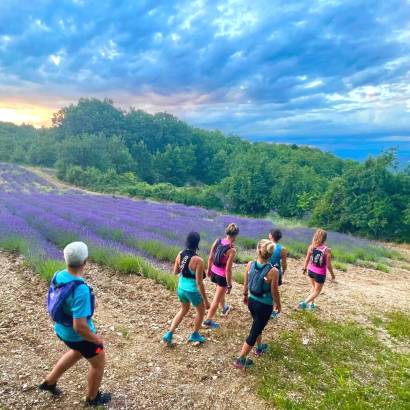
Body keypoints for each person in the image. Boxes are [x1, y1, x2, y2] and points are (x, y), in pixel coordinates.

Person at [39, 242, 111, 407]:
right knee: (98, 364)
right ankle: (92, 398)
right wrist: (96, 339)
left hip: (62, 330)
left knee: (77, 352)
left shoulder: (58, 275)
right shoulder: (81, 289)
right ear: (85, 261)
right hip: (79, 336)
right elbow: (80, 326)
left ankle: (49, 382)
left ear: (66, 260)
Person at [234, 240, 281, 369]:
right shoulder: (274, 271)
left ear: (258, 251)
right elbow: (274, 291)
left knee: (257, 324)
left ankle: (260, 347)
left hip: (251, 301)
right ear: (270, 254)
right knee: (254, 332)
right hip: (264, 306)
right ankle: (241, 359)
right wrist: (278, 304)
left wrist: (244, 295)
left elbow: (246, 282)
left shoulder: (250, 264)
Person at [163, 232, 210, 346]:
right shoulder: (198, 260)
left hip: (181, 288)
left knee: (183, 310)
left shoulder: (180, 254)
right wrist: (206, 300)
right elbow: (199, 283)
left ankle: (169, 334)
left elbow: (175, 272)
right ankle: (195, 334)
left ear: (187, 241)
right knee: (201, 311)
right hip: (192, 290)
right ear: (197, 243)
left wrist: (184, 267)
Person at [203, 223, 239, 329]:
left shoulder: (218, 241)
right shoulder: (232, 250)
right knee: (216, 299)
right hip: (222, 276)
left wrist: (209, 270)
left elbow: (210, 257)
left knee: (219, 293)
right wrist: (229, 284)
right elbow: (228, 270)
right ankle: (207, 321)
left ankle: (224, 308)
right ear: (235, 235)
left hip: (214, 272)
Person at [299, 229, 336, 310]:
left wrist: (304, 268)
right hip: (320, 274)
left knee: (313, 287)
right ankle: (304, 303)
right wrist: (333, 275)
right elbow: (329, 265)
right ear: (325, 239)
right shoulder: (327, 250)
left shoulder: (311, 247)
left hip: (310, 271)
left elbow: (307, 259)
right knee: (317, 291)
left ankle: (311, 305)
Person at [268, 229, 287, 319]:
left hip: (265, 270)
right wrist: (283, 271)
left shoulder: (265, 245)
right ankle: (272, 311)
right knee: (274, 290)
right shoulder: (282, 249)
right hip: (276, 271)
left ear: (271, 236)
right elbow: (284, 264)